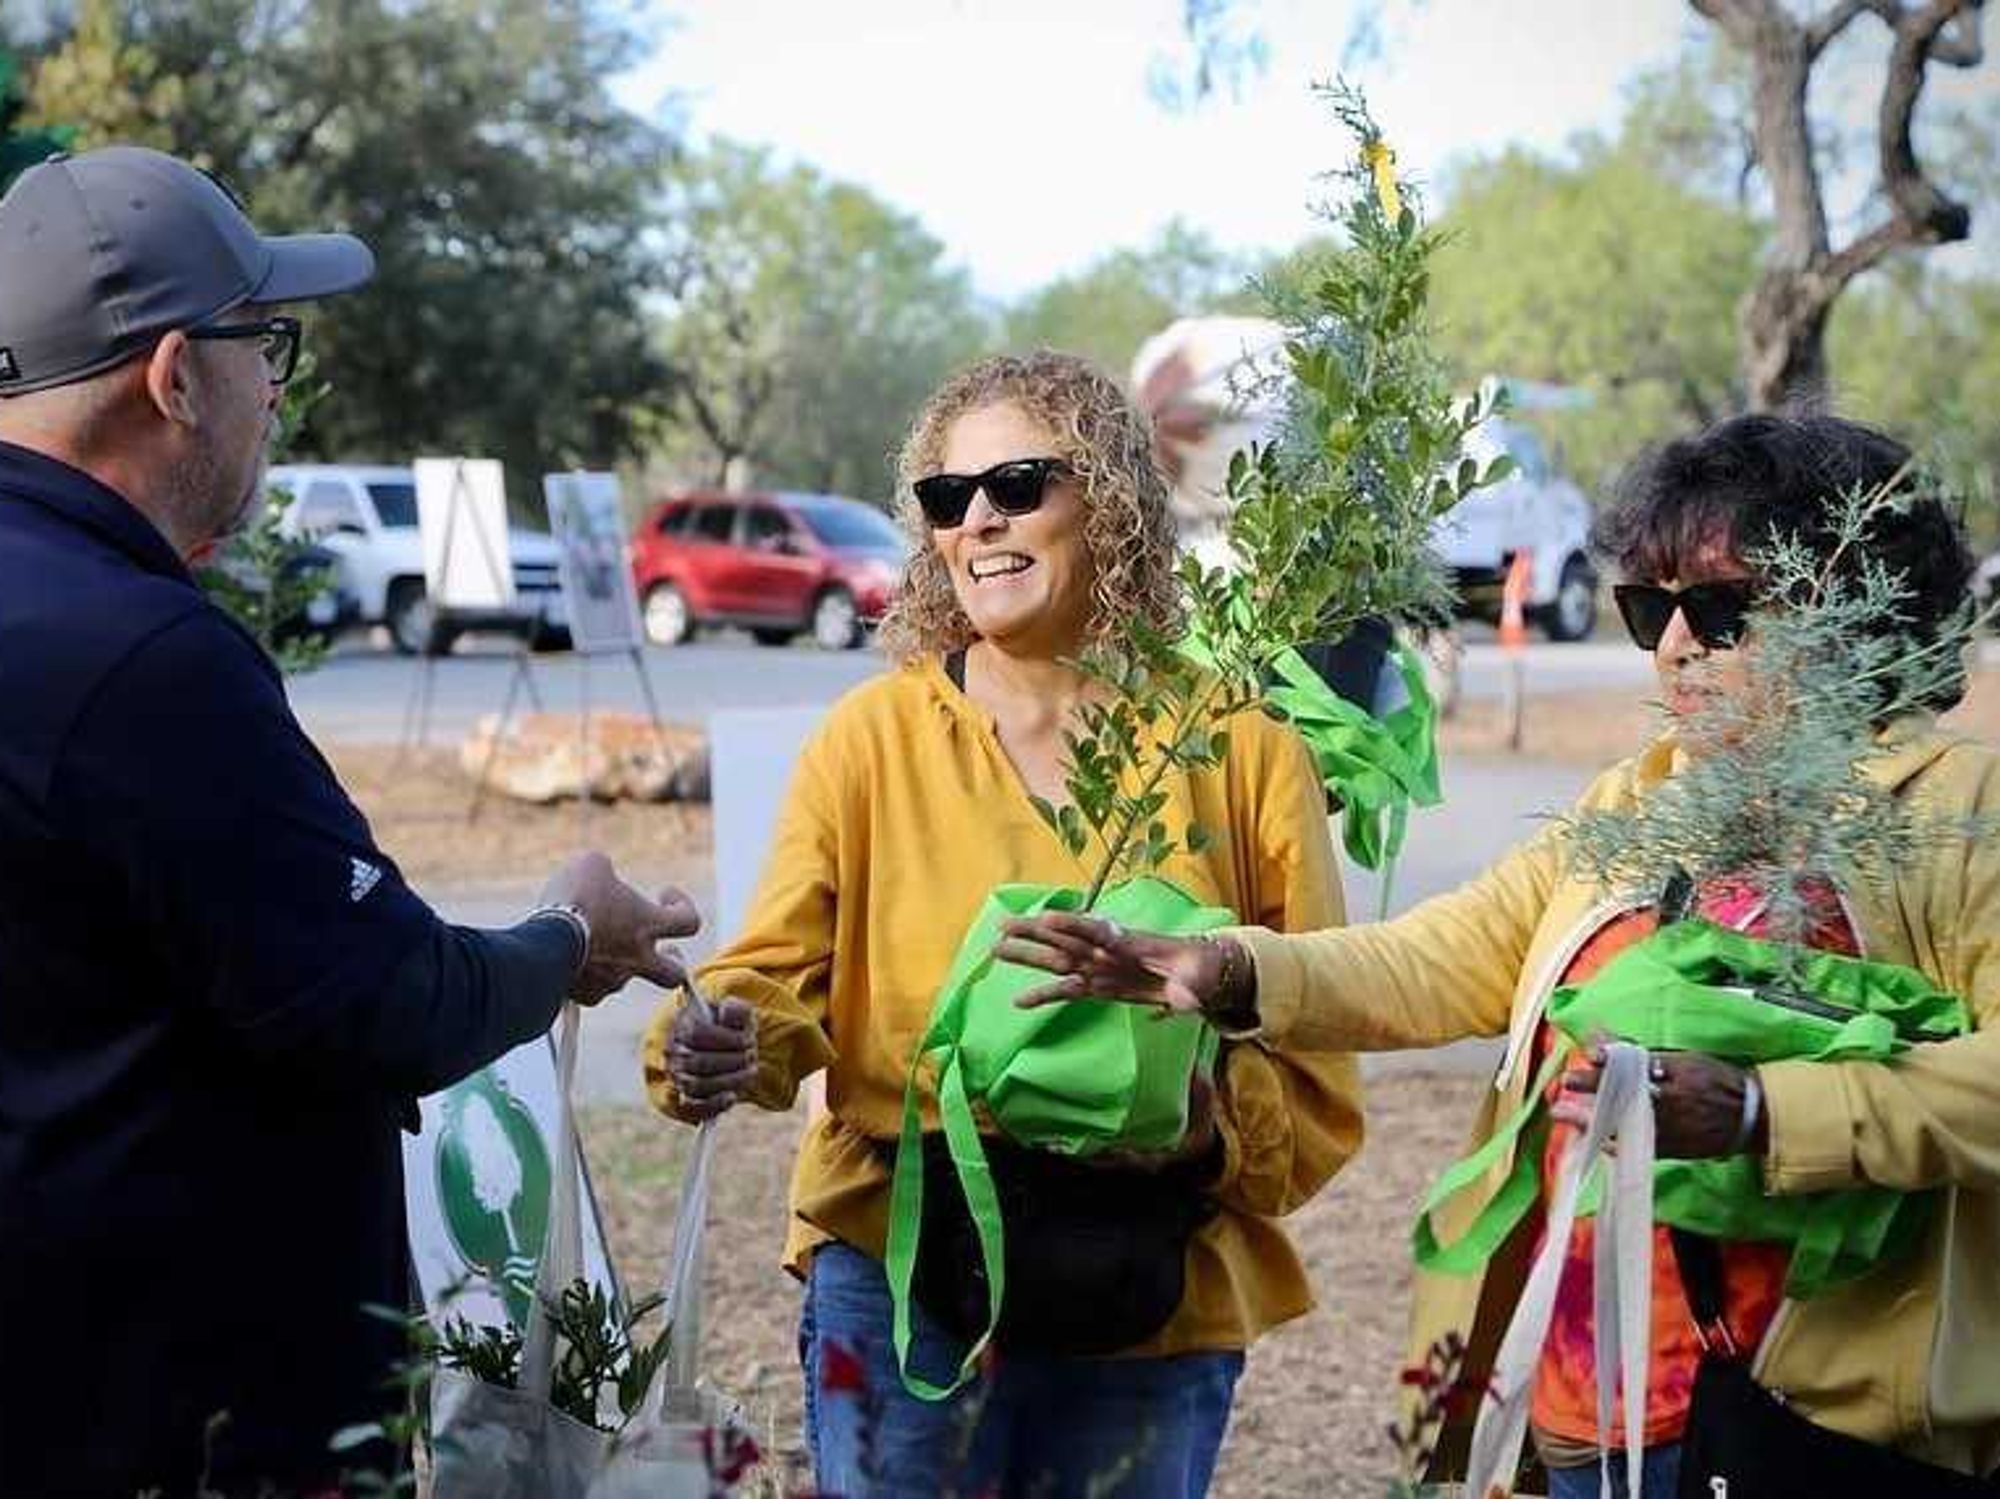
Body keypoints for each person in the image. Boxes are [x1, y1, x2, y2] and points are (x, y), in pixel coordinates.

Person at [998, 414, 2000, 1494]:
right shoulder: (1639, 802)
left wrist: (1762, 1109)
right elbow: (1445, 952)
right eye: (1646, 607)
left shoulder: (1956, 811)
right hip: (1574, 1417)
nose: (1670, 646)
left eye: (1717, 610)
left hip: (1800, 1434)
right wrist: (1225, 971)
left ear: (1853, 612)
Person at [0, 146, 701, 1497]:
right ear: (172, 375)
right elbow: (391, 997)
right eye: (267, 344)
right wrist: (571, 929)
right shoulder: (140, 659)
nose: (278, 388)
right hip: (175, 1421)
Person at [647, 351, 1363, 1497]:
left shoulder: (1240, 751)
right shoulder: (867, 741)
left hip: (1149, 1291)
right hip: (899, 1269)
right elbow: (771, 975)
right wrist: (723, 1036)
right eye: (947, 496)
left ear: (1115, 500)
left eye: (1019, 483)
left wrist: (1195, 1125)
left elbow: (1319, 1050)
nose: (977, 517)